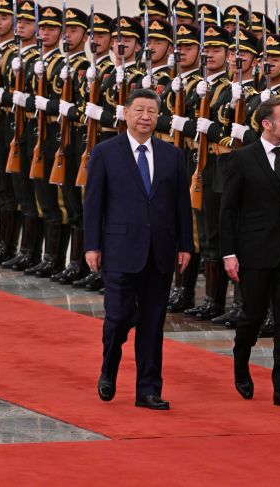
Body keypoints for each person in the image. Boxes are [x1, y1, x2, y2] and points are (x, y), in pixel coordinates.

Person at [84, 88, 194, 410]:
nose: (146, 117)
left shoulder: (172, 154)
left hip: (160, 250)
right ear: (126, 113)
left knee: (152, 322)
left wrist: (185, 244)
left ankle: (148, 389)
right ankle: (109, 367)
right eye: (139, 110)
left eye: (152, 112)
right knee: (117, 317)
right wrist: (92, 245)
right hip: (119, 248)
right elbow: (94, 204)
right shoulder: (105, 152)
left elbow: (181, 204)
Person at [221, 96, 280, 408]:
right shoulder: (242, 158)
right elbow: (228, 210)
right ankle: (241, 362)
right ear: (267, 123)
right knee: (252, 315)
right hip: (255, 251)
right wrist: (229, 252)